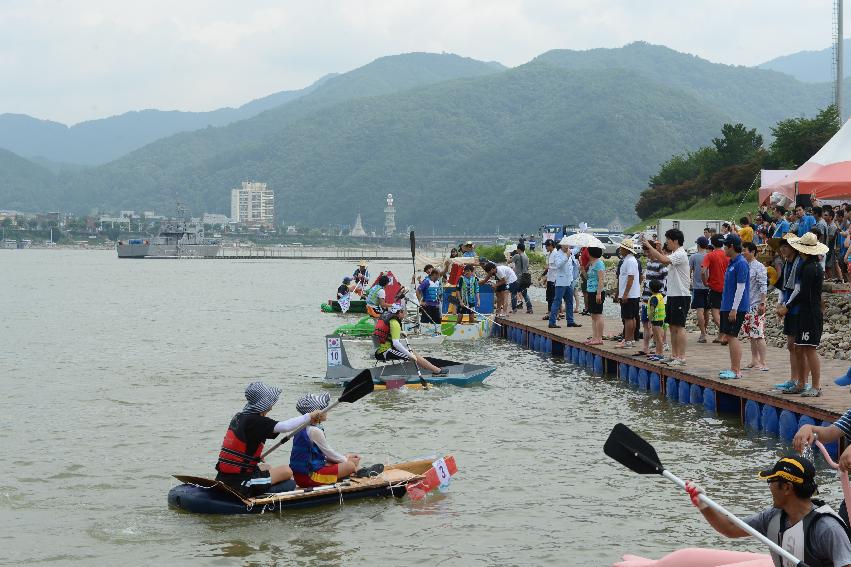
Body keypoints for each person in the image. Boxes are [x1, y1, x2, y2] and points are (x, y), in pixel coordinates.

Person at [684, 456, 851, 567]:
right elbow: (730, 528)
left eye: (771, 481)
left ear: (787, 487)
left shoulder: (827, 528)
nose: (769, 486)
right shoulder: (773, 517)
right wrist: (703, 505)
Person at [214, 381, 322, 496]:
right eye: (270, 402)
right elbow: (285, 427)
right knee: (288, 474)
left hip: (224, 477)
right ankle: (253, 493)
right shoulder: (255, 421)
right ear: (264, 404)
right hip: (239, 482)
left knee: (267, 467)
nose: (271, 406)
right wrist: (309, 416)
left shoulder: (240, 417)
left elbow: (244, 446)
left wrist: (254, 458)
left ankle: (258, 486)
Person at [779, 232, 828, 397]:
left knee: (810, 349)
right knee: (799, 347)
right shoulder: (809, 266)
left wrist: (788, 305)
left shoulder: (810, 268)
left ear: (803, 250)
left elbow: (803, 292)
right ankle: (801, 382)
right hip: (805, 311)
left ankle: (816, 386)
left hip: (810, 312)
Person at [289, 392, 360, 487]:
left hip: (300, 476)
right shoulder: (314, 431)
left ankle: (357, 469)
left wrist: (345, 457)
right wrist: (348, 461)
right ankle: (359, 470)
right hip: (309, 477)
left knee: (338, 460)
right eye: (325, 409)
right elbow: (329, 452)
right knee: (350, 465)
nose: (327, 411)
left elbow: (322, 455)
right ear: (317, 414)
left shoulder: (302, 427)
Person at [643, 229, 691, 367]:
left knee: (679, 327)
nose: (667, 243)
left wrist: (651, 247)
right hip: (673, 295)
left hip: (681, 295)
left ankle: (681, 357)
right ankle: (674, 355)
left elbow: (664, 260)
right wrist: (658, 250)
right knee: (672, 327)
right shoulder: (675, 254)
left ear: (675, 240)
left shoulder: (681, 253)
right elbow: (665, 261)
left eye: (668, 240)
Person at [773, 234, 810, 394]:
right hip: (788, 306)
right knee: (790, 345)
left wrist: (786, 306)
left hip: (797, 308)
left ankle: (804, 381)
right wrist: (780, 303)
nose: (782, 248)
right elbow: (783, 287)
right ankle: (793, 378)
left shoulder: (800, 263)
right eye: (781, 246)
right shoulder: (788, 263)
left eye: (785, 246)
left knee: (799, 347)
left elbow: (797, 289)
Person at [373, 303, 447, 374]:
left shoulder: (388, 318)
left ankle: (432, 368)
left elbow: (386, 332)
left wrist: (400, 332)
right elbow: (396, 343)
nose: (405, 314)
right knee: (413, 355)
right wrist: (409, 355)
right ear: (400, 312)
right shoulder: (395, 323)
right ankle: (436, 370)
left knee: (413, 352)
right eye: (404, 312)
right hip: (385, 352)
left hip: (379, 350)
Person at [718, 234, 750, 380]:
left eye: (725, 245)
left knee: (732, 336)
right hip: (727, 305)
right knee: (728, 336)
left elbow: (741, 287)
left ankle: (736, 370)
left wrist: (734, 308)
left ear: (731, 246)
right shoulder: (731, 262)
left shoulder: (741, 263)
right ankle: (733, 367)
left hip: (735, 307)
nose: (723, 248)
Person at [638, 240, 668, 356]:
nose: (647, 254)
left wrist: (661, 295)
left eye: (649, 251)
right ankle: (646, 347)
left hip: (656, 299)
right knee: (646, 324)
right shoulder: (649, 263)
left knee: (658, 325)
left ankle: (661, 345)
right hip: (646, 298)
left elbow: (666, 280)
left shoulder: (660, 264)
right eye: (646, 252)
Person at [742, 242, 769, 372]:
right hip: (747, 304)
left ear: (752, 252)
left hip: (756, 304)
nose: (743, 252)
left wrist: (762, 303)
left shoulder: (759, 267)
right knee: (751, 334)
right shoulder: (745, 265)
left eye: (745, 250)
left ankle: (763, 362)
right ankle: (754, 359)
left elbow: (763, 286)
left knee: (758, 334)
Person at [702, 233, 730, 343]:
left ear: (712, 243)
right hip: (727, 287)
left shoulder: (709, 255)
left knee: (715, 312)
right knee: (724, 312)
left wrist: (705, 282)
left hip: (715, 286)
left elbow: (703, 271)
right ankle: (720, 336)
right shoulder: (727, 255)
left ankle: (726, 333)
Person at [547, 242, 580, 329]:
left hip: (569, 281)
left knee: (570, 302)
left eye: (568, 245)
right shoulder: (558, 254)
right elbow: (558, 265)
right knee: (557, 302)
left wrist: (582, 233)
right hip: (561, 282)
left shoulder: (570, 251)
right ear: (562, 245)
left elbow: (577, 248)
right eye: (566, 245)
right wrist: (567, 257)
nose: (568, 246)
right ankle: (552, 322)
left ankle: (570, 321)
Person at [615, 239, 640, 348]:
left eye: (621, 248)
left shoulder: (630, 261)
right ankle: (631, 339)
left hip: (630, 294)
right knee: (632, 317)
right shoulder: (629, 260)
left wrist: (625, 294)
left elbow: (630, 278)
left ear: (626, 249)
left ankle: (628, 340)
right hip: (633, 294)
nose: (620, 249)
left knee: (628, 318)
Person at [690, 237, 712, 343]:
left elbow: (689, 271)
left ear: (698, 245)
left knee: (700, 310)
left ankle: (702, 334)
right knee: (707, 311)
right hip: (709, 286)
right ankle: (705, 331)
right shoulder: (709, 256)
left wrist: (689, 284)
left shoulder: (693, 257)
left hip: (697, 286)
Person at [583, 247, 606, 345]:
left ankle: (599, 338)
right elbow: (588, 278)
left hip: (597, 292)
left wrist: (599, 293)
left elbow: (601, 279)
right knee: (593, 315)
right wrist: (583, 271)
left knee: (598, 314)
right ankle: (594, 337)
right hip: (590, 291)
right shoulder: (592, 264)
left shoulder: (599, 263)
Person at [645, 279, 667, 360]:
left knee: (658, 339)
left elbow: (652, 310)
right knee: (658, 338)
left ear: (650, 289)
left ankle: (660, 354)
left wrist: (650, 321)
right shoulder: (660, 296)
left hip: (656, 321)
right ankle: (657, 353)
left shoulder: (653, 298)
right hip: (661, 320)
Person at [510, 243, 533, 314]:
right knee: (525, 294)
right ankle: (529, 308)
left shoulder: (517, 256)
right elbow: (527, 267)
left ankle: (514, 309)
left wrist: (509, 256)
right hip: (524, 278)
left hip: (517, 278)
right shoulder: (526, 257)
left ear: (518, 249)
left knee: (513, 293)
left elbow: (509, 261)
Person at [541, 239, 558, 320]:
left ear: (551, 246)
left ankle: (555, 314)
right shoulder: (550, 254)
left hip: (554, 279)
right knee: (549, 297)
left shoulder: (555, 253)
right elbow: (549, 268)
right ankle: (550, 313)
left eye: (546, 246)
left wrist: (549, 267)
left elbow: (558, 266)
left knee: (553, 297)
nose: (546, 248)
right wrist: (544, 277)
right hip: (550, 278)